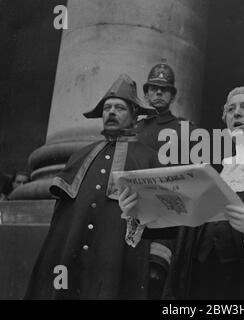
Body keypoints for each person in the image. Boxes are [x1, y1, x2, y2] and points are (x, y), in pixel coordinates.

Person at [121, 86, 244, 299]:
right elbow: (180, 223)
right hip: (200, 279)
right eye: (230, 109)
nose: (236, 113)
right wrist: (140, 212)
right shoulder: (210, 166)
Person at [25, 74, 174, 299]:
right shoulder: (81, 155)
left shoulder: (150, 160)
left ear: (135, 115)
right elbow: (61, 218)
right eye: (107, 108)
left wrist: (156, 259)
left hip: (121, 257)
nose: (111, 112)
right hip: (71, 255)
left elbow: (164, 217)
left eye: (119, 108)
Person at [136, 61, 196, 155]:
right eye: (154, 88)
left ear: (172, 97)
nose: (159, 92)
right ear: (146, 95)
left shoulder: (185, 130)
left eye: (164, 89)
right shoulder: (135, 128)